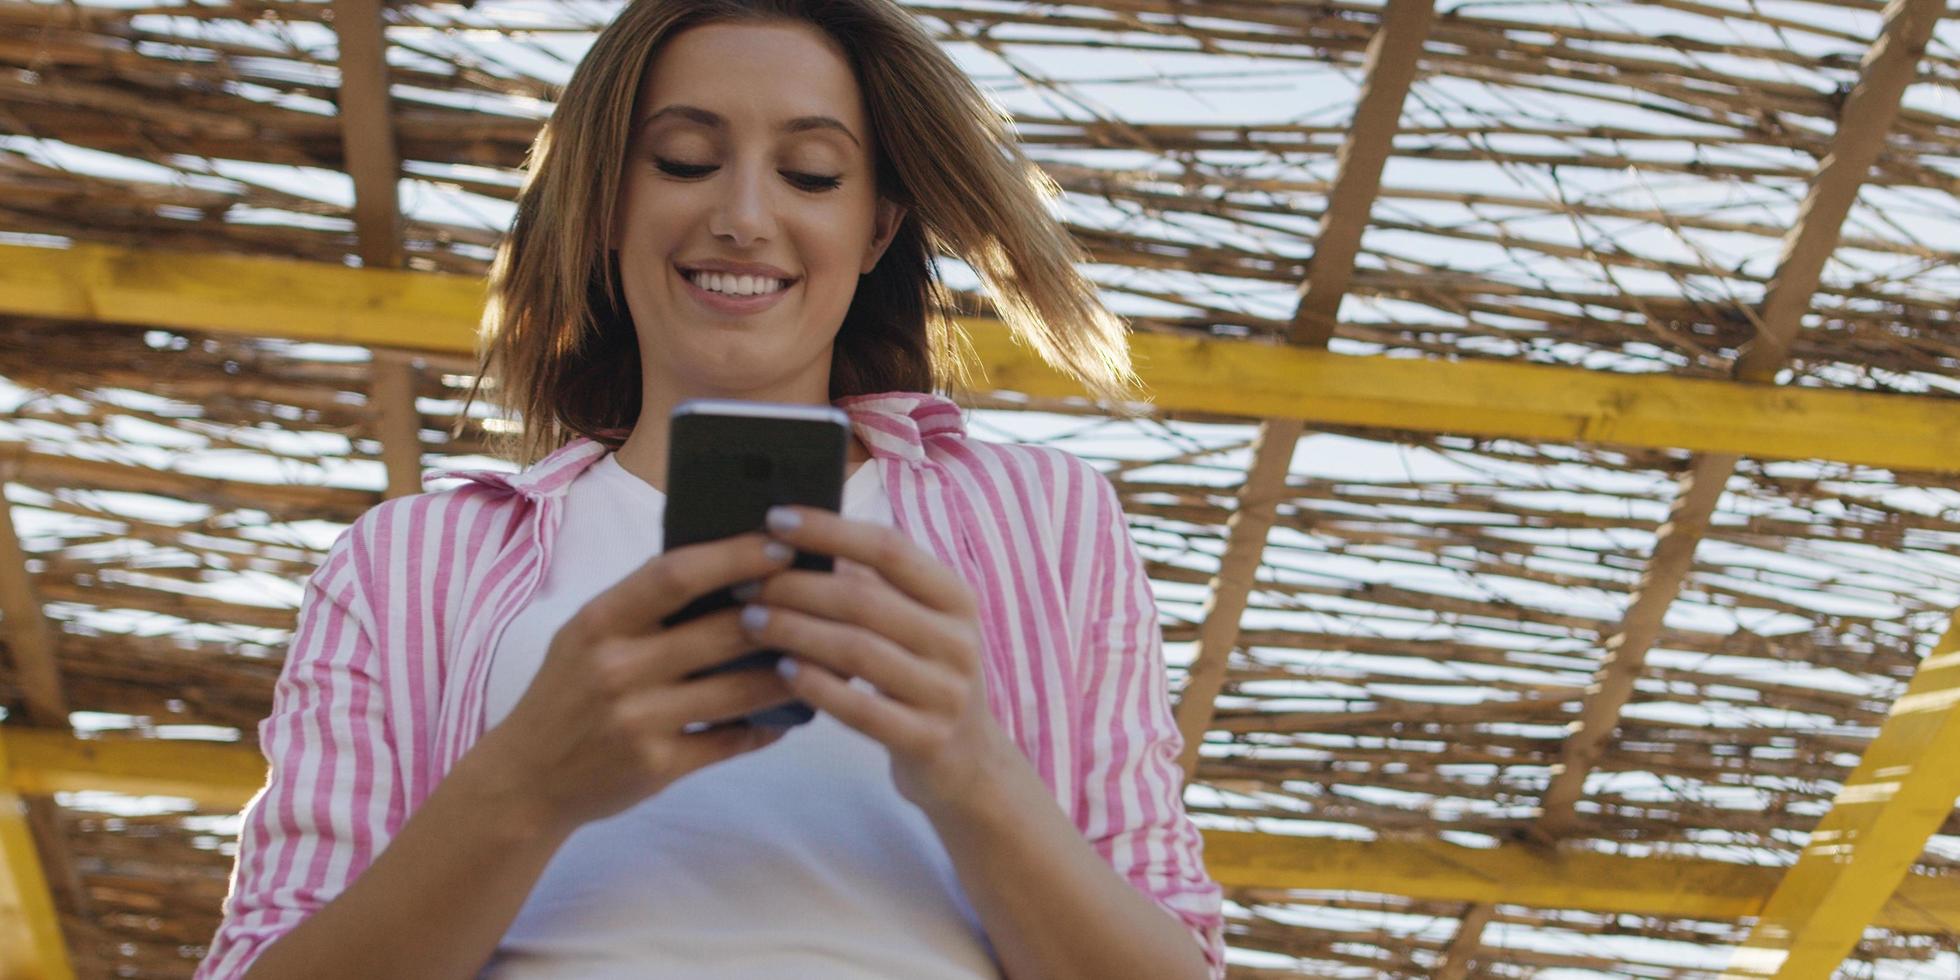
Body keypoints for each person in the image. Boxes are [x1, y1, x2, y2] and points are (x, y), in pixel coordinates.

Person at [196, 0, 1224, 976]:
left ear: (875, 231)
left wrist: (972, 771)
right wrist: (527, 784)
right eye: (684, 160)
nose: (742, 215)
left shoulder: (1042, 519)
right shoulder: (406, 564)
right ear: (603, 198)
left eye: (813, 175)